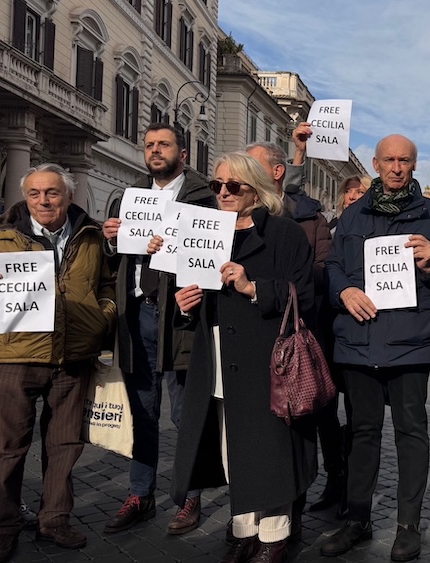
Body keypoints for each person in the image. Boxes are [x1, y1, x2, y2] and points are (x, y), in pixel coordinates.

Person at [164, 152, 317, 563]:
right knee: (232, 446)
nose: (224, 193)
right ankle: (243, 529)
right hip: (217, 355)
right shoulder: (205, 232)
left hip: (268, 360)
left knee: (271, 448)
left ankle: (275, 534)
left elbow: (304, 296)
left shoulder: (286, 233)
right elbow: (190, 298)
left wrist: (253, 288)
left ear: (257, 188)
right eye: (217, 186)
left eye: (234, 186)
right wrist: (184, 304)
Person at [322, 134, 430, 562]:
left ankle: (408, 525)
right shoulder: (353, 214)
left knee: (411, 432)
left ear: (414, 165)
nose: (397, 167)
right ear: (376, 165)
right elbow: (333, 267)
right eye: (389, 160)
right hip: (358, 340)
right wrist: (343, 292)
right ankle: (357, 520)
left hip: (410, 343)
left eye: (405, 161)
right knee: (362, 433)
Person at [0, 164, 116, 563]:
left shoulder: (89, 235)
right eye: (35, 193)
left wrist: (104, 312)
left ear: (68, 196)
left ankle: (55, 519)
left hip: (73, 355)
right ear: (25, 197)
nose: (44, 200)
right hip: (13, 356)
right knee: (6, 448)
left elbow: (105, 281)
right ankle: (3, 528)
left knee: (65, 445)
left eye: (52, 193)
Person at [101, 123, 215, 535]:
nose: (155, 151)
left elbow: (211, 256)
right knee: (141, 413)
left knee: (187, 414)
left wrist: (176, 250)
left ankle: (190, 497)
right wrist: (112, 238)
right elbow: (114, 260)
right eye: (149, 145)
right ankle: (140, 494)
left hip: (181, 319)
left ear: (183, 154)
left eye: (163, 144)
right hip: (137, 318)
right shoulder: (129, 197)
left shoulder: (205, 199)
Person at [247, 140, 343, 520]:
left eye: (249, 169)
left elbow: (323, 272)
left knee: (315, 416)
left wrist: (288, 269)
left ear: (275, 172)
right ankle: (273, 504)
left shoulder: (310, 220)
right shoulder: (234, 216)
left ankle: (331, 484)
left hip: (304, 334)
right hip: (254, 335)